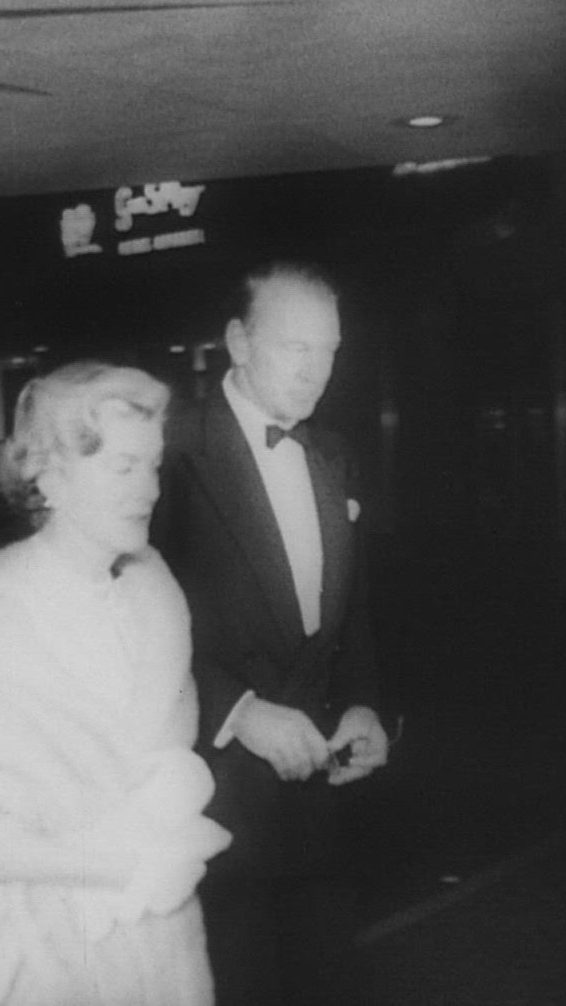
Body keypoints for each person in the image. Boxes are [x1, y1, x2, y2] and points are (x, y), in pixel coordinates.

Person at [0, 361, 233, 1006]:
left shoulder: (153, 595)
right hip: (36, 955)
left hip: (159, 946)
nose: (149, 489)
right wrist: (119, 861)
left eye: (153, 465)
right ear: (50, 475)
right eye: (123, 467)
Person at [151, 262, 391, 1006]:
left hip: (317, 797)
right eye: (296, 347)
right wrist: (239, 711)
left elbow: (349, 608)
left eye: (330, 350)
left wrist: (363, 702)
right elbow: (129, 625)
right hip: (210, 795)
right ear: (238, 342)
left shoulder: (333, 453)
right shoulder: (168, 450)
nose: (317, 371)